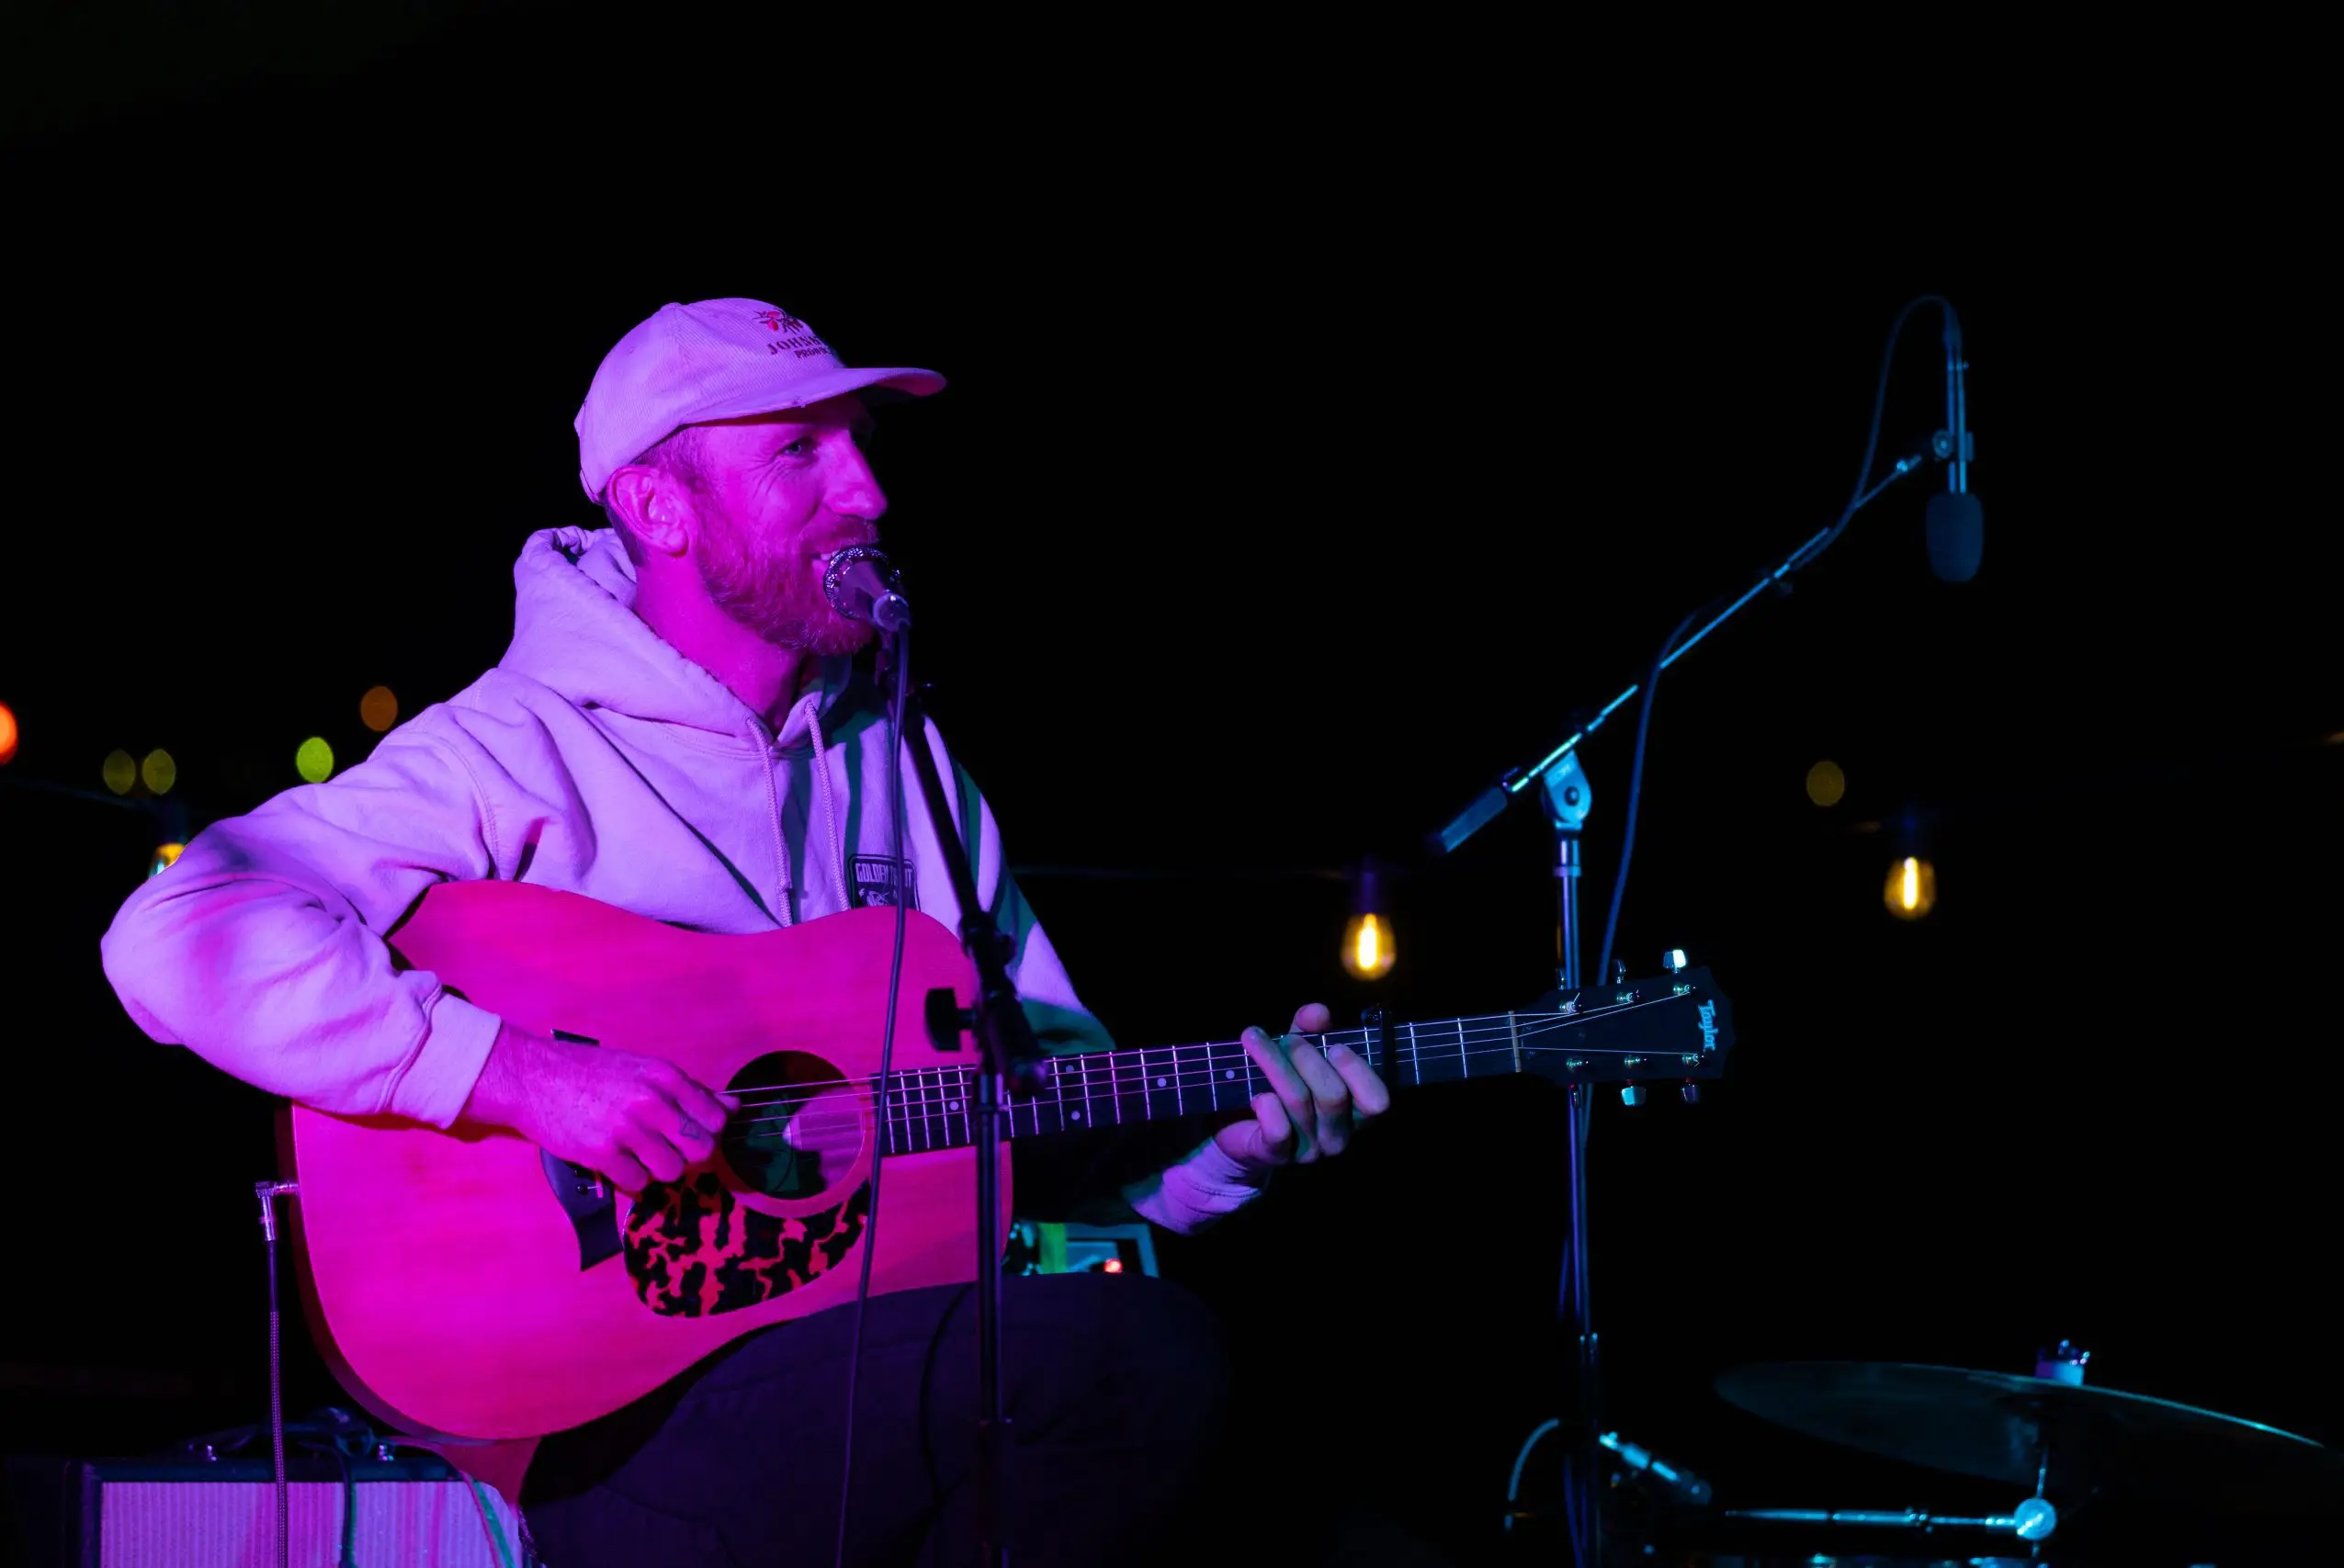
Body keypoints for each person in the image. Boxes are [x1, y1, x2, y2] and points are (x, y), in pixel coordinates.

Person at [98, 298, 1392, 1567]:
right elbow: (175, 931)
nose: (870, 494)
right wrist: (516, 1074)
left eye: (860, 445)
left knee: (1294, 1467)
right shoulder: (511, 747)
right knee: (1142, 1366)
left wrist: (1217, 1155)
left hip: (870, 1370)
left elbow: (1014, 1134)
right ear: (662, 511)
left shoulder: (897, 756)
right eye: (799, 451)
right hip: (606, 1424)